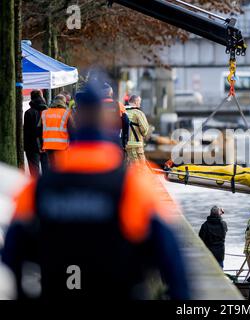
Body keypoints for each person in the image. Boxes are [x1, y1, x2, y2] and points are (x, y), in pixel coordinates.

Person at [1, 82, 190, 299]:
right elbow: (172, 259)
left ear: (75, 122)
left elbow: (11, 253)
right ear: (106, 121)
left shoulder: (37, 188)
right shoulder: (134, 185)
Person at [40, 95, 74, 168]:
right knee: (62, 168)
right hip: (61, 146)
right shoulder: (66, 113)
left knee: (52, 167)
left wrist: (40, 144)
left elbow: (39, 129)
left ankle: (52, 178)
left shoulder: (44, 113)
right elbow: (72, 131)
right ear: (63, 102)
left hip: (48, 145)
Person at [24, 90, 48, 177]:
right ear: (41, 97)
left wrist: (25, 146)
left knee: (34, 173)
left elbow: (27, 132)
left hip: (32, 146)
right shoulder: (48, 111)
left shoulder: (28, 113)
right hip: (46, 144)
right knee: (47, 170)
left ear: (31, 98)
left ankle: (35, 189)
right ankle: (47, 188)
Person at [125, 95, 154, 163]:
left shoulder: (122, 112)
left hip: (123, 146)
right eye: (139, 102)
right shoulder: (138, 113)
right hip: (136, 146)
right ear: (136, 102)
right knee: (140, 169)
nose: (140, 105)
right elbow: (144, 130)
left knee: (128, 170)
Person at [101, 83, 129, 151]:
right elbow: (125, 121)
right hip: (115, 140)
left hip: (100, 141)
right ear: (111, 93)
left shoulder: (96, 105)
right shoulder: (119, 105)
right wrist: (125, 139)